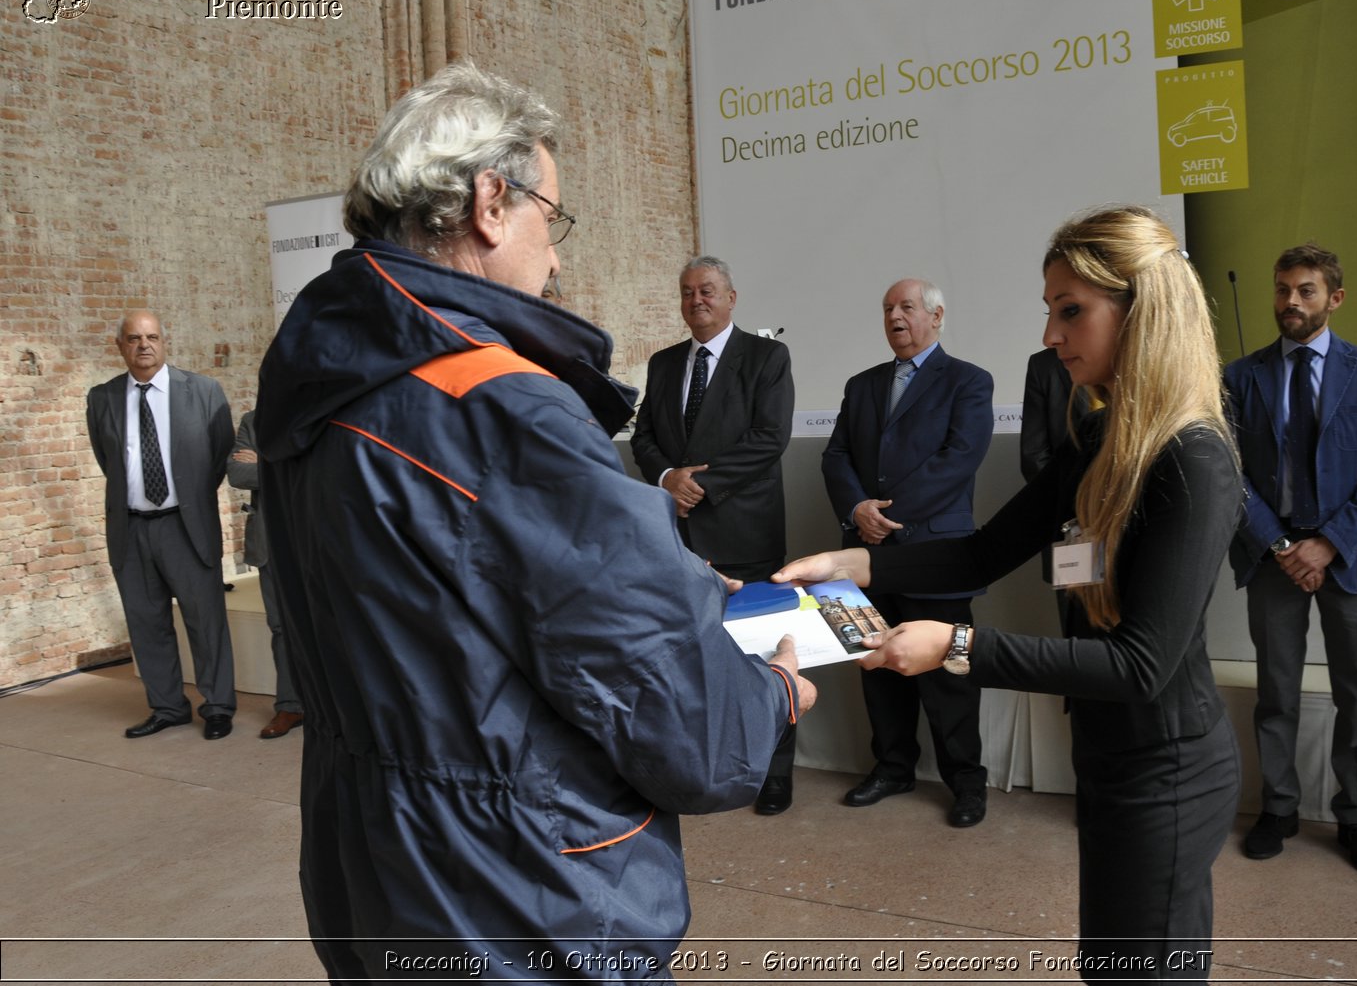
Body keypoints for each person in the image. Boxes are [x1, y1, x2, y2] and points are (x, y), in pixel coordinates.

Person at [253, 61, 816, 981]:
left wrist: (666, 581)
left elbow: (446, 613)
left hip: (373, 871)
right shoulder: (502, 405)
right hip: (523, 900)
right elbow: (691, 727)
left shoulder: (317, 391)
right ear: (489, 201)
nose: (556, 255)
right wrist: (773, 696)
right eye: (551, 219)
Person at [782, 207, 1241, 979]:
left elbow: (1140, 665)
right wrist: (857, 565)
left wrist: (955, 645)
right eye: (1049, 311)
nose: (1051, 335)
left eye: (1072, 311)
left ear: (1142, 309)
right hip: (1108, 748)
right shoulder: (1100, 438)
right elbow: (982, 551)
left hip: (1167, 763)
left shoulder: (1192, 458)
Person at [1223, 245, 1357, 877]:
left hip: (1348, 558)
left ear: (1335, 297)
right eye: (1281, 290)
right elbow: (1231, 472)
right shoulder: (1240, 376)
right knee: (1276, 691)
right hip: (1272, 558)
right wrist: (1281, 545)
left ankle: (1355, 814)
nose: (1290, 302)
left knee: (1356, 691)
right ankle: (1279, 808)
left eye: (1305, 290)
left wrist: (1327, 544)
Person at [821, 278, 994, 829]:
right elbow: (836, 455)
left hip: (936, 555)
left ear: (937, 316)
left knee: (950, 677)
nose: (895, 316)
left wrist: (884, 514)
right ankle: (892, 767)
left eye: (907, 307)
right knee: (876, 667)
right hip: (865, 554)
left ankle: (966, 782)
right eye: (888, 308)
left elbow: (959, 459)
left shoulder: (969, 381)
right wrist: (857, 511)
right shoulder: (861, 384)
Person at [631, 255, 797, 813]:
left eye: (706, 290)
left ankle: (774, 775)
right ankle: (700, 770)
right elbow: (645, 436)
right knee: (689, 659)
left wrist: (701, 485)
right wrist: (665, 477)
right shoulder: (662, 363)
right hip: (678, 540)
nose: (695, 300)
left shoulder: (767, 356)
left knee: (763, 655)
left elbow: (769, 437)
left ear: (730, 297)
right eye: (686, 292)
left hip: (744, 534)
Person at [87, 310, 237, 740]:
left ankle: (218, 707)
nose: (144, 346)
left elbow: (217, 458)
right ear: (120, 346)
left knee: (205, 622)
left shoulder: (204, 392)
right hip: (131, 530)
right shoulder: (102, 398)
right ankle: (168, 706)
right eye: (133, 338)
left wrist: (187, 500)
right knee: (146, 623)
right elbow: (107, 460)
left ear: (164, 341)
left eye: (152, 337)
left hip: (186, 526)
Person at [226, 409, 304, 739]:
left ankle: (340, 707)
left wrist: (264, 463)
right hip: (271, 541)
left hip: (322, 540)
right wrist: (294, 466)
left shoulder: (326, 412)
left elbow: (333, 472)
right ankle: (291, 706)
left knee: (333, 625)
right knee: (281, 628)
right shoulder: (254, 421)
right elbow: (237, 473)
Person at [1020, 347, 1092, 634]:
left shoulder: (1149, 353)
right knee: (1078, 630)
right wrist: (1080, 513)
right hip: (1072, 525)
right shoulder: (1044, 364)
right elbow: (1034, 456)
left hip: (1140, 523)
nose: (1051, 332)